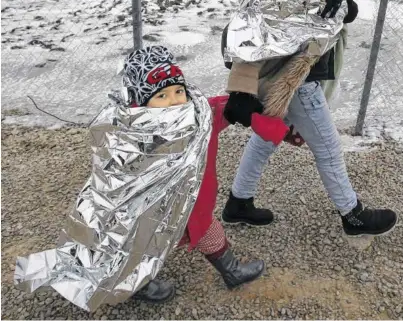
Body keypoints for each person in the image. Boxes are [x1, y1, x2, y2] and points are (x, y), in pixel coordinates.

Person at [15, 46, 288, 312]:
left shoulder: (199, 116)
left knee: (207, 229)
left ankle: (232, 271)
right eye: (162, 96)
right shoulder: (130, 135)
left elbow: (227, 110)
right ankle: (136, 283)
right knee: (139, 247)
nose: (174, 100)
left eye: (178, 91)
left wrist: (266, 121)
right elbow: (115, 176)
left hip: (195, 204)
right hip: (148, 214)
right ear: (141, 103)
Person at [220, 0, 398, 238]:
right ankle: (353, 215)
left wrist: (342, 9)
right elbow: (257, 17)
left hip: (299, 65)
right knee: (328, 147)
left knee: (266, 139)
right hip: (294, 74)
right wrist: (241, 86)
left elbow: (307, 8)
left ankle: (238, 202)